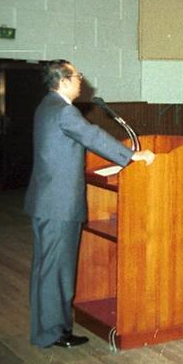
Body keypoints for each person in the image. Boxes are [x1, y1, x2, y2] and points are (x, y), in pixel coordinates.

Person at [25, 60, 155, 348]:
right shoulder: (63, 111)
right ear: (63, 80)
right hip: (58, 206)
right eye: (76, 75)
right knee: (56, 272)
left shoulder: (46, 106)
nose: (81, 80)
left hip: (46, 203)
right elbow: (92, 136)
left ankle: (46, 330)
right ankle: (54, 333)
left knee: (47, 271)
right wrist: (133, 156)